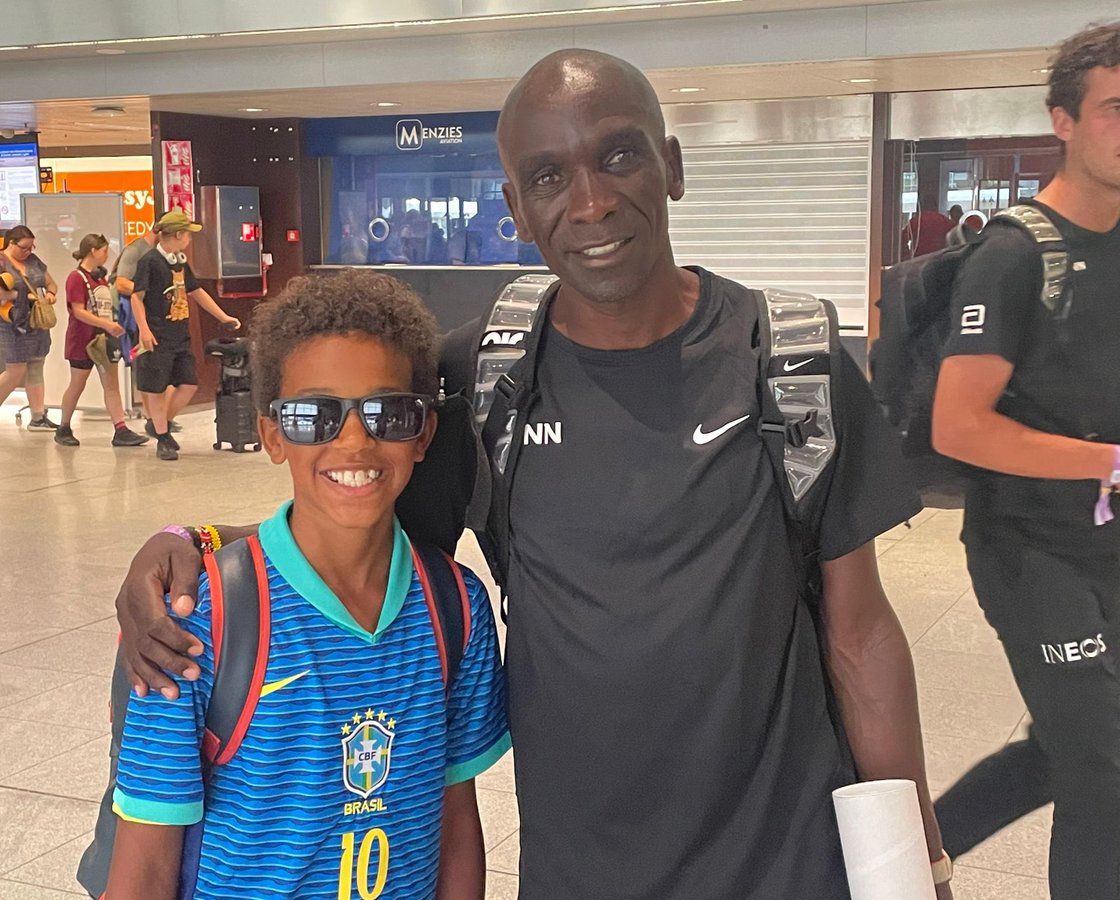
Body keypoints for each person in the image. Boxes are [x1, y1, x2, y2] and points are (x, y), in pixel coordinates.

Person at [113, 50, 952, 900]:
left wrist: (919, 864)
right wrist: (192, 545)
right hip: (580, 870)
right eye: (548, 176)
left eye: (619, 155)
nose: (591, 202)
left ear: (672, 165)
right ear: (516, 209)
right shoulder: (483, 379)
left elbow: (861, 634)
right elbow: (350, 522)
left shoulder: (791, 361)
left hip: (790, 862)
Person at [104, 269, 509, 899]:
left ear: (423, 433)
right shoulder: (200, 619)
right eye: (314, 415)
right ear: (272, 435)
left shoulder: (457, 609)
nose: (355, 441)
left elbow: (455, 822)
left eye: (389, 413)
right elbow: (146, 869)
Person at [931, 23, 1120, 899]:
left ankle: (901, 858)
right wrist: (1109, 460)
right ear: (1063, 121)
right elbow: (958, 427)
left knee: (1068, 746)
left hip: (1105, 541)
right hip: (1028, 547)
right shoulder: (1015, 255)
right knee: (1101, 771)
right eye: (1114, 108)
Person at [129, 211, 240, 461]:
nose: (190, 239)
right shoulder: (149, 262)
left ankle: (161, 425)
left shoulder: (179, 262)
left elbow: (196, 291)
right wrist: (144, 329)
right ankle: (163, 438)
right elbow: (137, 297)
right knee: (156, 389)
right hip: (156, 335)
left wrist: (223, 316)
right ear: (178, 234)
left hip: (179, 335)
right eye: (188, 234)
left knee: (189, 384)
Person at [54, 234, 148, 448]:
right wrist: (106, 324)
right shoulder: (76, 278)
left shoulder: (100, 279)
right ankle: (64, 425)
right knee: (78, 383)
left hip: (104, 338)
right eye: (104, 251)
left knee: (111, 384)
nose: (106, 255)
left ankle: (120, 428)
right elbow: (78, 311)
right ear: (93, 251)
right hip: (83, 339)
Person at [0, 225, 60, 432]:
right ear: (11, 243)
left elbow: (51, 284)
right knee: (16, 370)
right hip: (11, 323)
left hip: (35, 320)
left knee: (36, 365)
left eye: (31, 247)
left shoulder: (34, 261)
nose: (28, 252)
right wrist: (21, 296)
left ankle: (38, 417)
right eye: (24, 247)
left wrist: (50, 294)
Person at [113, 218, 183, 436]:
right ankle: (151, 417)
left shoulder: (168, 255)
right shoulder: (136, 250)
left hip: (161, 318)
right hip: (137, 318)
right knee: (144, 364)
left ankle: (160, 417)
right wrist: (151, 289)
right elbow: (121, 282)